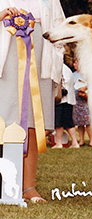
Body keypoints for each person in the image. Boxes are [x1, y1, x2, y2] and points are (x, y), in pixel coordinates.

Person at [0, 0, 65, 203]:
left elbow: (59, 26)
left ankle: (28, 186)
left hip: (40, 51)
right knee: (6, 116)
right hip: (6, 50)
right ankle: (7, 184)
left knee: (32, 119)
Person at [52, 63, 80, 149]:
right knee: (69, 122)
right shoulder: (67, 69)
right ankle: (74, 142)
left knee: (59, 123)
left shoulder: (58, 67)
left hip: (62, 99)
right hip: (69, 100)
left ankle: (59, 142)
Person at [72, 60, 92, 147]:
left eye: (77, 63)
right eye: (74, 63)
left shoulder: (87, 74)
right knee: (79, 121)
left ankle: (91, 140)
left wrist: (85, 88)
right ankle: (81, 140)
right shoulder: (73, 75)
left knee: (87, 121)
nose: (75, 65)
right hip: (77, 98)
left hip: (85, 98)